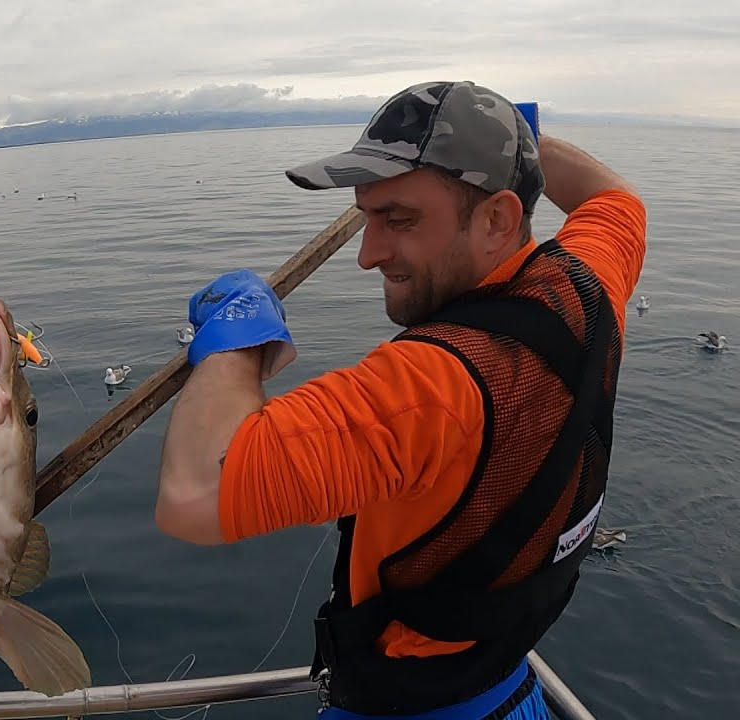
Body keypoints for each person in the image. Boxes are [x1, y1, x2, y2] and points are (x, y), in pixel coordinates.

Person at [155, 80, 646, 719]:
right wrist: (517, 142)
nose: (367, 255)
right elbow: (615, 198)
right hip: (511, 693)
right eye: (367, 217)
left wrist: (236, 341)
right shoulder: (590, 285)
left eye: (400, 220)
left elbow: (193, 496)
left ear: (498, 219)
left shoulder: (427, 388)